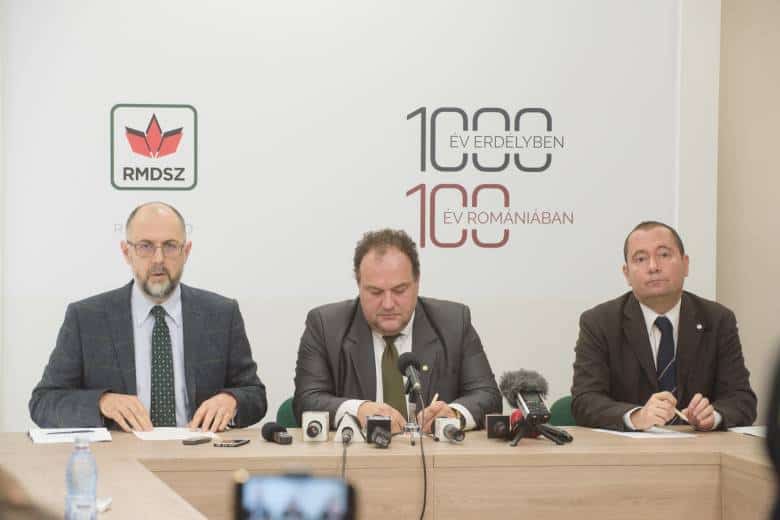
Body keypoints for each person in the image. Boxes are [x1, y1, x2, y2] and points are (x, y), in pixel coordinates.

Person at [29, 202, 266, 432]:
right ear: (127, 252)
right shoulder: (86, 318)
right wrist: (101, 402)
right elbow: (43, 402)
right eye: (145, 246)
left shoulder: (221, 314)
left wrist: (232, 400)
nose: (158, 259)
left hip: (198, 450)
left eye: (170, 246)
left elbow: (254, 394)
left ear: (186, 252)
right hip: (120, 455)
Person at [293, 229, 501, 433]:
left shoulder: (454, 323)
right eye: (375, 292)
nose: (388, 304)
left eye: (399, 290)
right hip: (358, 454)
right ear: (359, 285)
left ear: (417, 283)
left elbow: (488, 396)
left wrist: (454, 415)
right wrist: (359, 410)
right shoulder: (325, 326)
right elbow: (306, 400)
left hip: (435, 453)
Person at [571, 221, 756, 431]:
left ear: (685, 264)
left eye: (664, 255)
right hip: (627, 449)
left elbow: (742, 399)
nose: (653, 267)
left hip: (700, 447)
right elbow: (584, 400)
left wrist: (713, 416)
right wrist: (636, 416)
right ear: (626, 274)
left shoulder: (718, 320)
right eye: (641, 259)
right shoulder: (599, 322)